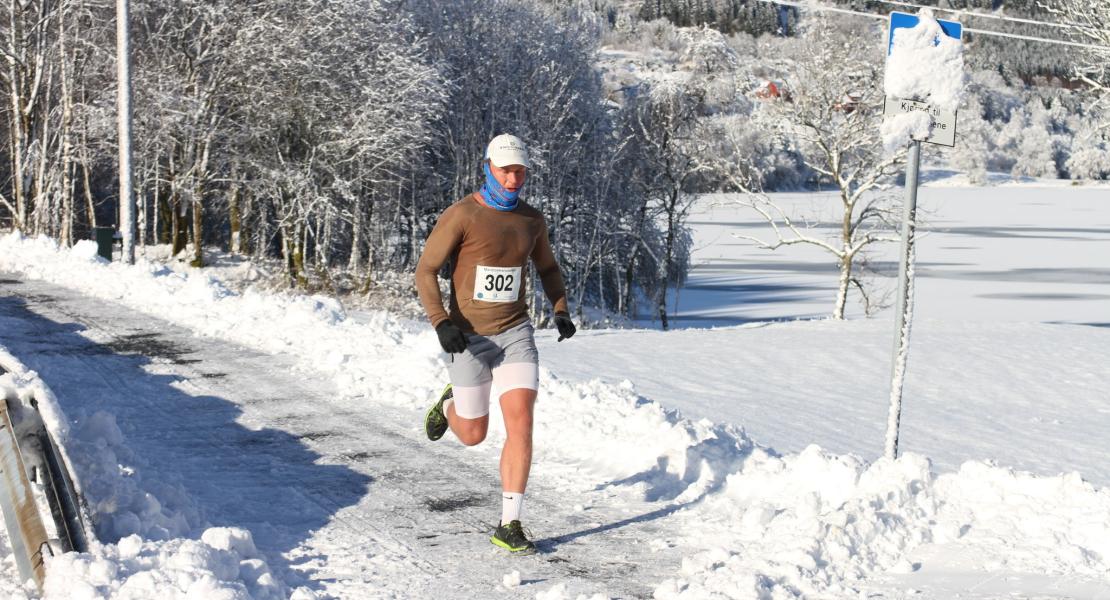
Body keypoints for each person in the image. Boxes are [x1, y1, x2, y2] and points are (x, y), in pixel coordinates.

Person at [415, 133, 576, 555]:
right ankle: (450, 404)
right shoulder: (462, 215)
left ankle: (510, 523)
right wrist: (440, 322)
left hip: (515, 331)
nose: (513, 178)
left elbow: (548, 268)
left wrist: (560, 308)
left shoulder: (531, 220)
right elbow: (426, 270)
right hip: (466, 335)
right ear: (488, 167)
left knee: (521, 418)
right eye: (506, 170)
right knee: (472, 434)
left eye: (520, 171)